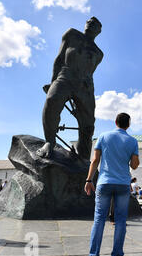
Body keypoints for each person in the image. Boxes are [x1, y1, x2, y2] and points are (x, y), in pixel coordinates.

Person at [37, 17, 104, 160]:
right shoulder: (72, 34)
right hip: (66, 76)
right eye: (89, 21)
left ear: (99, 31)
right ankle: (49, 141)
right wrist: (52, 82)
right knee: (52, 100)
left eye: (95, 24)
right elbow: (59, 58)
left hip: (85, 86)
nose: (90, 23)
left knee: (88, 124)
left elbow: (90, 71)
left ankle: (84, 158)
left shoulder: (99, 53)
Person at [83, 113, 139, 256]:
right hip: (122, 184)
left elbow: (95, 160)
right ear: (128, 125)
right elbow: (134, 165)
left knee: (99, 219)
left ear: (115, 122)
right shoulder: (133, 141)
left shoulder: (103, 136)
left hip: (104, 182)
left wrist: (89, 180)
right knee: (120, 220)